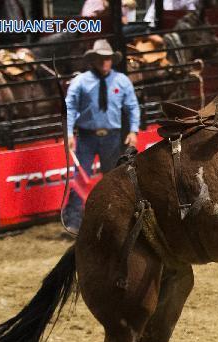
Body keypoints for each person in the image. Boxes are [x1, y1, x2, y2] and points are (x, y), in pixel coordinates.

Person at [63, 40, 140, 235]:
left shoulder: (121, 81)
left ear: (111, 60)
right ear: (94, 59)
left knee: (113, 178)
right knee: (80, 177)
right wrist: (69, 132)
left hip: (112, 137)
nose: (105, 62)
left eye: (108, 59)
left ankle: (113, 216)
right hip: (86, 137)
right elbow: (69, 107)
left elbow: (132, 106)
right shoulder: (81, 82)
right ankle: (73, 221)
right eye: (101, 59)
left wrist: (133, 131)